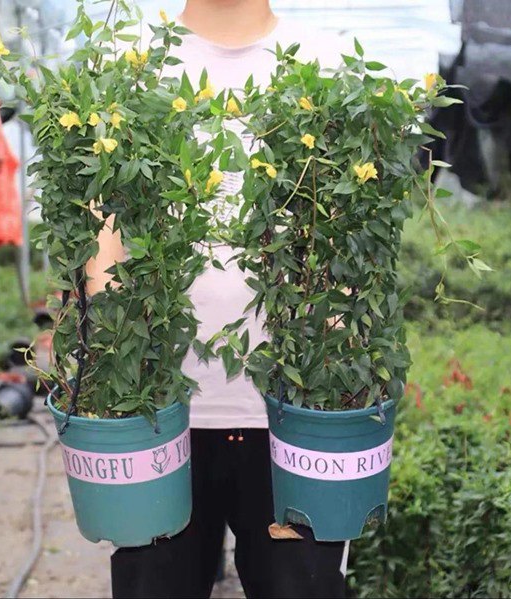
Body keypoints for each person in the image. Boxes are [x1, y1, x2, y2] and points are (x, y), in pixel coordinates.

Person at [87, 1, 351, 597]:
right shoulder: (133, 63)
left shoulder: (321, 64)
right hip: (158, 416)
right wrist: (113, 354)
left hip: (290, 418)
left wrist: (335, 365)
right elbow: (100, 233)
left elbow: (343, 242)